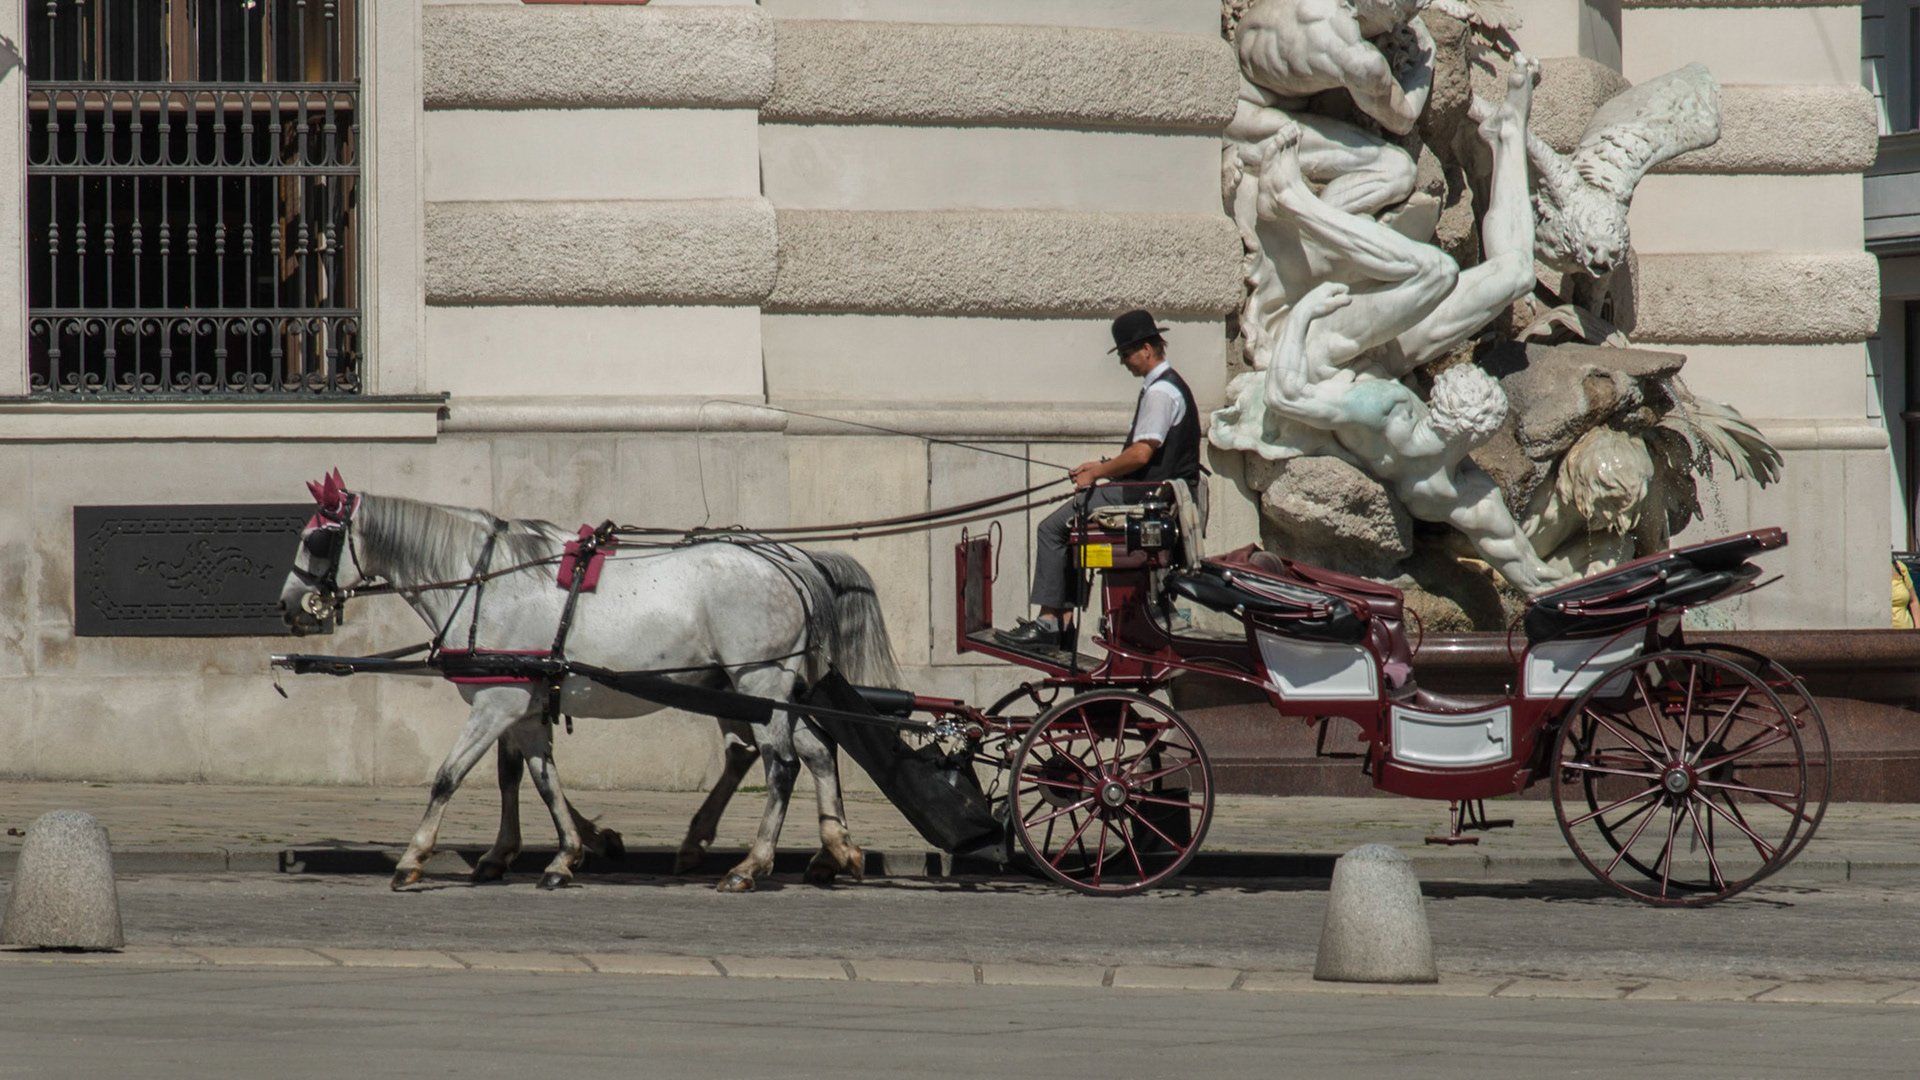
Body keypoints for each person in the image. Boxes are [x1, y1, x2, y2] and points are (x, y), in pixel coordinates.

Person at [996, 309, 1201, 649]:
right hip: (1152, 494)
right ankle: (1061, 619)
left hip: (1143, 497)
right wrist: (1100, 466)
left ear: (1147, 350)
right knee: (1070, 529)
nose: (1124, 362)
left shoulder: (1160, 393)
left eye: (1125, 354)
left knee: (1051, 528)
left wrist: (1097, 473)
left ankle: (1050, 622)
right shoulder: (1170, 386)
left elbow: (1141, 454)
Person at [1894, 557, 1919, 629]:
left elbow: (1914, 601)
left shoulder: (1899, 567)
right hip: (1880, 635)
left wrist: (1917, 628)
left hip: (1906, 633)